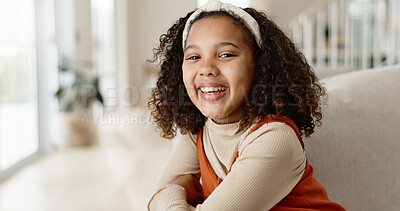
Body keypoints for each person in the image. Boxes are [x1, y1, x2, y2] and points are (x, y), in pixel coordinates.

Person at [147, 0, 345, 210]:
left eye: (226, 55)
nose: (206, 69)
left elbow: (167, 195)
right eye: (194, 56)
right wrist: (172, 192)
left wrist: (175, 195)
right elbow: (159, 194)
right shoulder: (198, 130)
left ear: (260, 65)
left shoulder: (275, 138)